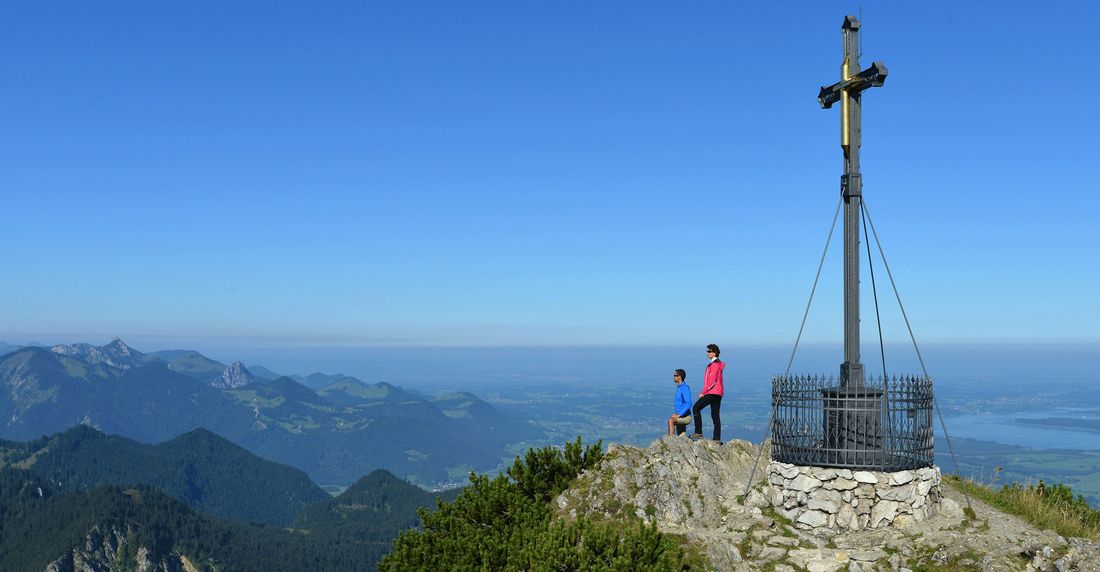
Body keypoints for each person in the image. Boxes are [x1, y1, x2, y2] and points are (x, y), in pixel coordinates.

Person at [689, 343, 725, 442]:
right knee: (715, 415)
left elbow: (712, 381)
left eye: (709, 351)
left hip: (713, 392)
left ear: (714, 353)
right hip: (718, 393)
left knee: (696, 407)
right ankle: (716, 438)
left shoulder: (714, 365)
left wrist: (703, 392)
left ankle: (698, 432)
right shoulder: (717, 364)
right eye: (707, 351)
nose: (707, 353)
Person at [667, 369, 693, 436]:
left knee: (671, 421)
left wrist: (679, 414)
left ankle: (670, 442)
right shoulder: (679, 387)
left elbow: (689, 403)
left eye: (675, 375)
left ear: (679, 377)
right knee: (682, 437)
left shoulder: (684, 388)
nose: (674, 377)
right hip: (681, 417)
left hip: (685, 417)